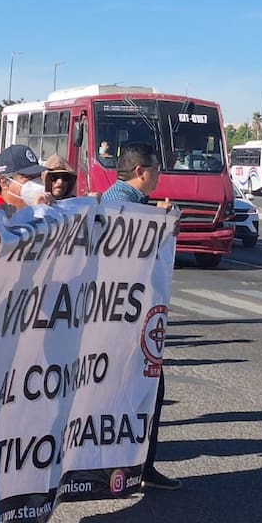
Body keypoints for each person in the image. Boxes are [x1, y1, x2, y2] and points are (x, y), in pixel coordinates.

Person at [0, 145, 69, 523]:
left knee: (36, 426)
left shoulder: (40, 215)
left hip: (37, 335)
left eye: (35, 177)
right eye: (25, 178)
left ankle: (32, 518)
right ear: (5, 180)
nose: (33, 184)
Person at [101, 143, 179, 490]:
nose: (159, 175)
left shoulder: (133, 205)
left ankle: (137, 466)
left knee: (144, 390)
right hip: (121, 323)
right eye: (157, 168)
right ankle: (132, 468)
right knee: (140, 391)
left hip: (129, 317)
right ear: (140, 171)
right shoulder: (124, 207)